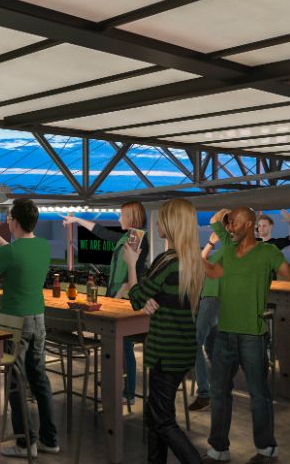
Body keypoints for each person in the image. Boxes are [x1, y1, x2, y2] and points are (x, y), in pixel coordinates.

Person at [202, 208, 290, 464]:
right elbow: (213, 273)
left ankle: (267, 449)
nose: (231, 228)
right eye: (229, 224)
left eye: (236, 224)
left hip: (253, 336)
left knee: (259, 394)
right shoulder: (229, 251)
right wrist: (197, 256)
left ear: (251, 224)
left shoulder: (268, 253)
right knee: (219, 391)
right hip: (224, 335)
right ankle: (218, 449)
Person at [121, 198, 205, 464]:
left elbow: (135, 297)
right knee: (155, 417)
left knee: (163, 421)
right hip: (182, 349)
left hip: (164, 350)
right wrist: (147, 297)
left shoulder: (167, 260)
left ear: (171, 224)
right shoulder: (193, 260)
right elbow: (154, 297)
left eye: (161, 219)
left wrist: (132, 264)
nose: (156, 222)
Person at [0, 198, 58, 457]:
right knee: (39, 379)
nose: (8, 220)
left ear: (15, 222)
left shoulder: (9, 252)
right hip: (38, 320)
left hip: (15, 323)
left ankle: (25, 444)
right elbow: (16, 252)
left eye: (9, 218)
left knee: (16, 382)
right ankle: (49, 440)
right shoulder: (42, 247)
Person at [64, 201, 148, 405]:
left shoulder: (136, 238)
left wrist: (117, 295)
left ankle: (128, 393)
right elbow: (100, 231)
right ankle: (117, 385)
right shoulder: (126, 238)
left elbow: (132, 273)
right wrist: (75, 219)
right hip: (117, 296)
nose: (119, 218)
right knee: (118, 344)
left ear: (131, 216)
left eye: (121, 215)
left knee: (125, 345)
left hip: (125, 299)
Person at [191, 231, 222, 411]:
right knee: (211, 347)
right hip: (214, 299)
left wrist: (210, 243)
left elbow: (201, 263)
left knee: (195, 343)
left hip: (213, 299)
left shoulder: (227, 250)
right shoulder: (229, 248)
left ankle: (204, 394)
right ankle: (220, 388)